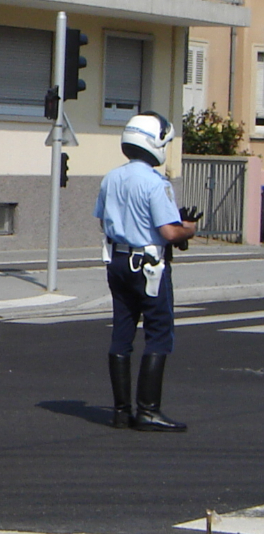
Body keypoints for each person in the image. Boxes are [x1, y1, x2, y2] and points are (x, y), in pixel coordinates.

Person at [95, 111, 198, 433]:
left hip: (116, 261)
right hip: (149, 266)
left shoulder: (111, 178)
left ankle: (121, 412)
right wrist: (189, 228)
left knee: (122, 334)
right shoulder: (156, 183)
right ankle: (148, 411)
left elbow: (103, 221)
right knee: (159, 333)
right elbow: (169, 232)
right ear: (155, 143)